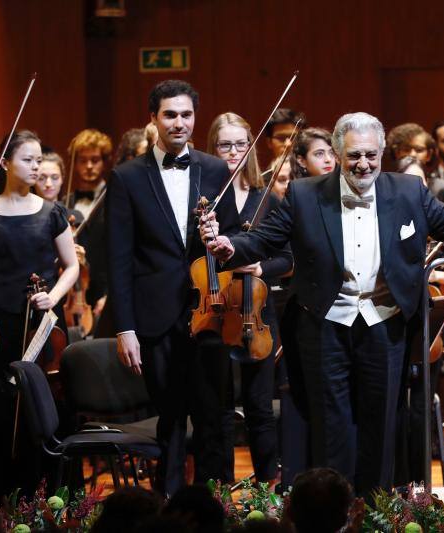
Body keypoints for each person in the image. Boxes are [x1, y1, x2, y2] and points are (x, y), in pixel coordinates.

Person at [200, 112, 444, 497]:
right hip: (324, 324)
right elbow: (267, 239)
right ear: (337, 152)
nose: (364, 164)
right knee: (331, 422)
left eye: (371, 154)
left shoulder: (407, 190)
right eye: (354, 155)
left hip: (384, 323)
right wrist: (230, 247)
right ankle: (335, 509)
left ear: (383, 151)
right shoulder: (305, 195)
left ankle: (376, 508)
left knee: (381, 421)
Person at [107, 80, 239, 495]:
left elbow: (234, 239)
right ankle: (168, 507)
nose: (179, 122)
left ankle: (213, 506)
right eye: (170, 114)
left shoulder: (215, 169)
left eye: (186, 114)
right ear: (153, 118)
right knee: (170, 419)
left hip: (210, 310)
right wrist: (124, 327)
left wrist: (220, 239)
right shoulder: (127, 177)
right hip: (154, 316)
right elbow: (119, 258)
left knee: (214, 418)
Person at [0, 130, 78, 498]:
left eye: (38, 160)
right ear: (5, 164)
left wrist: (53, 296)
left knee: (48, 403)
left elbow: (70, 267)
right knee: (1, 408)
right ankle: (3, 497)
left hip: (45, 323)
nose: (36, 167)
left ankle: (51, 493)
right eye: (27, 160)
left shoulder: (52, 212)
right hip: (1, 323)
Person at [205, 111, 293, 485]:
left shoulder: (266, 197)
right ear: (212, 148)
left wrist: (260, 269)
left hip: (257, 310)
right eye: (225, 144)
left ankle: (267, 488)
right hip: (213, 309)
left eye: (241, 143)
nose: (234, 151)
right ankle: (221, 488)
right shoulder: (203, 198)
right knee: (219, 407)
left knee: (259, 406)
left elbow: (288, 259)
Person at [65, 129, 112, 322]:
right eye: (83, 160)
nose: (89, 166)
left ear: (105, 162)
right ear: (75, 163)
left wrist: (110, 293)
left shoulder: (115, 198)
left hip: (106, 288)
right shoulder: (65, 202)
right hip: (76, 295)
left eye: (95, 160)